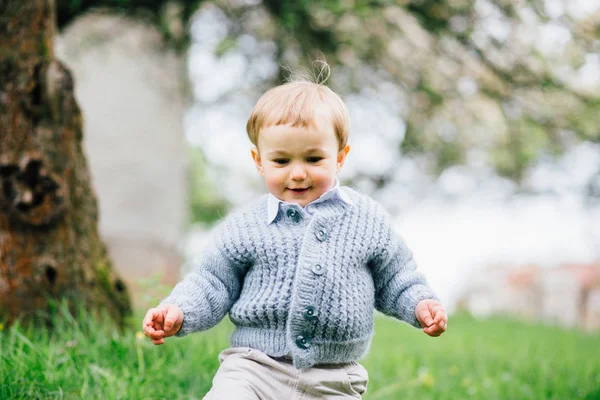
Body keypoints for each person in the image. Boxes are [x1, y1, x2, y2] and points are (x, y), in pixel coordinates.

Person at [143, 65, 447, 399]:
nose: (298, 173)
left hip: (334, 377)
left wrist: (420, 305)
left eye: (314, 158)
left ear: (340, 157)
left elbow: (396, 278)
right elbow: (212, 281)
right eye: (282, 161)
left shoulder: (367, 220)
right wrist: (180, 311)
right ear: (259, 161)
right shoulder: (247, 225)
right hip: (253, 368)